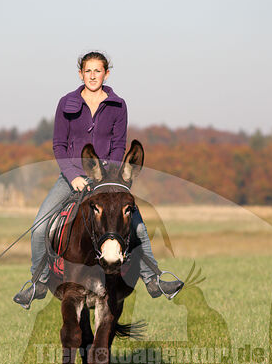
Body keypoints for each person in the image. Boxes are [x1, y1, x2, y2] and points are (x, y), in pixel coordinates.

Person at [13, 51, 182, 308]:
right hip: (72, 178)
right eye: (88, 71)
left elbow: (118, 145)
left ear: (106, 73)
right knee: (38, 227)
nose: (93, 76)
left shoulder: (118, 105)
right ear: (81, 74)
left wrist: (108, 177)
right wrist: (74, 176)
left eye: (98, 71)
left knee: (138, 228)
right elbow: (59, 146)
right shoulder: (66, 103)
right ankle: (38, 281)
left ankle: (154, 279)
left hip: (107, 179)